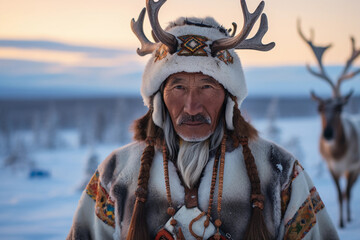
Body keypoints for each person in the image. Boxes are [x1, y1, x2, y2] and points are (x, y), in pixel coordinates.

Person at [67, 0, 339, 239]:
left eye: (207, 86)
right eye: (178, 87)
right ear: (159, 97)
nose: (191, 106)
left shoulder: (279, 172)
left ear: (229, 97)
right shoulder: (115, 173)